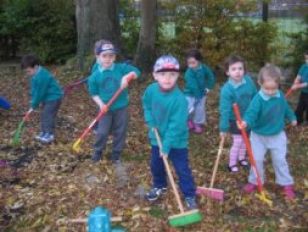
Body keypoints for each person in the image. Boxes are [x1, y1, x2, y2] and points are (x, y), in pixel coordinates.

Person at [142, 55, 197, 210]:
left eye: (172, 75)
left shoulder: (179, 100)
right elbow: (146, 105)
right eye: (163, 74)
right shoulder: (151, 90)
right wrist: (149, 119)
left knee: (182, 169)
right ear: (155, 75)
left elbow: (176, 127)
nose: (167, 78)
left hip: (177, 141)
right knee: (156, 165)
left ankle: (189, 194)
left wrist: (165, 147)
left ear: (177, 76)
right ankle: (160, 186)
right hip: (157, 138)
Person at [240, 64, 297, 200]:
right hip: (259, 136)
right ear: (260, 83)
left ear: (278, 85)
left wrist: (292, 117)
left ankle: (286, 183)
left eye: (274, 88)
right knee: (256, 160)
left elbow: (286, 108)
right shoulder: (258, 99)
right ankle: (255, 181)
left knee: (279, 159)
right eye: (267, 88)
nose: (271, 92)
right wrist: (245, 122)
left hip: (277, 135)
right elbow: (251, 114)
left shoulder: (280, 96)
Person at [88, 40, 140, 163]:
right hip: (105, 108)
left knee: (120, 131)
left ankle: (116, 154)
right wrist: (101, 104)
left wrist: (127, 76)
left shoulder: (121, 68)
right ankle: (98, 151)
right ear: (98, 57)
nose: (107, 59)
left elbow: (137, 71)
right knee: (102, 132)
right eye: (104, 56)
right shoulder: (94, 76)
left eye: (111, 56)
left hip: (121, 107)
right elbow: (93, 93)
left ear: (115, 57)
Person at [219, 55, 257, 172]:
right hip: (234, 119)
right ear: (227, 72)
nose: (237, 72)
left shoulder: (249, 81)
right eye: (233, 69)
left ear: (244, 70)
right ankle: (232, 163)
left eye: (240, 68)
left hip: (247, 117)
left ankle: (241, 158)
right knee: (238, 141)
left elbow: (255, 96)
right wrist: (223, 128)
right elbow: (224, 110)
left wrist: (256, 112)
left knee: (246, 139)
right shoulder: (227, 90)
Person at [21, 54, 63, 143]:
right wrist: (33, 99)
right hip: (46, 98)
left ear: (35, 67)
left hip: (54, 98)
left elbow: (40, 93)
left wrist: (34, 104)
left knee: (48, 115)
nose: (27, 74)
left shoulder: (42, 77)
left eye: (28, 71)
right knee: (44, 114)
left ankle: (49, 134)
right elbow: (34, 88)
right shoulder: (35, 74)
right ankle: (44, 132)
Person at [183, 49, 216, 133]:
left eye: (193, 63)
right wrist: (197, 95)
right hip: (190, 94)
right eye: (189, 63)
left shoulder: (204, 68)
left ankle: (198, 123)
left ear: (199, 61)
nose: (191, 65)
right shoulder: (189, 73)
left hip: (202, 93)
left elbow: (211, 77)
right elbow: (192, 85)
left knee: (200, 109)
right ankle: (187, 121)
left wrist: (208, 87)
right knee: (189, 108)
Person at [291, 50, 308, 125]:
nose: (307, 61)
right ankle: (297, 121)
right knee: (300, 107)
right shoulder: (304, 66)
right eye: (306, 59)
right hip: (304, 92)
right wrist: (296, 82)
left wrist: (297, 86)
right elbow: (299, 76)